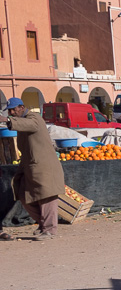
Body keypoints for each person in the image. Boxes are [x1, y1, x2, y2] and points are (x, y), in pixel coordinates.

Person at [0, 99, 65, 240]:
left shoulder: (34, 118)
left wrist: (6, 119)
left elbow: (30, 125)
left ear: (22, 107)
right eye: (9, 111)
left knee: (47, 197)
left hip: (44, 165)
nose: (11, 113)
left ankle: (49, 230)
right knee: (23, 194)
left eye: (13, 110)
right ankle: (43, 225)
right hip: (29, 165)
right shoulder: (21, 120)